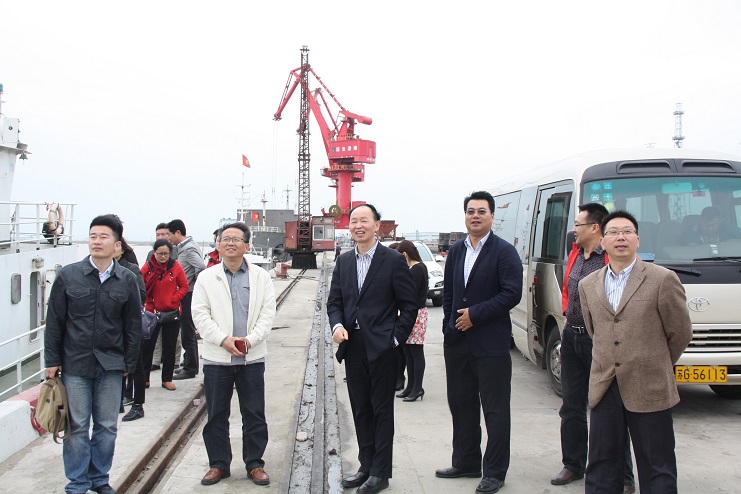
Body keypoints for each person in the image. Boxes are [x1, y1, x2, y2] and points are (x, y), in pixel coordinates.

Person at [579, 210, 692, 493]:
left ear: (637, 240)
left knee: (657, 467)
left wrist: (654, 361)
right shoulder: (588, 284)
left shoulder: (662, 279)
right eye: (613, 232)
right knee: (601, 466)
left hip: (650, 384)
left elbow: (680, 332)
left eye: (627, 232)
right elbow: (596, 332)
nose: (621, 237)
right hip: (605, 384)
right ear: (602, 241)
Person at [44, 214, 141, 494]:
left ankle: (99, 479)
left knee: (107, 426)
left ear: (117, 244)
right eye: (92, 236)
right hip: (75, 364)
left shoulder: (127, 280)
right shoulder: (68, 275)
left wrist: (129, 363)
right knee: (76, 426)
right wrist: (52, 361)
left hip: (111, 365)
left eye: (103, 237)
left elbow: (133, 326)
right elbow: (55, 322)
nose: (96, 241)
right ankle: (77, 483)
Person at [435, 191, 522, 494]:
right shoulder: (457, 251)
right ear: (465, 216)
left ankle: (494, 471)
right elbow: (449, 293)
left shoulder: (504, 252)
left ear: (492, 216)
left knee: (495, 410)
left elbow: (511, 293)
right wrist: (449, 326)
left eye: (481, 211)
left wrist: (475, 314)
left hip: (491, 344)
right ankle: (466, 461)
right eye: (470, 211)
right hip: (457, 342)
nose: (475, 216)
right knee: (461, 404)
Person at [327, 204, 417, 494]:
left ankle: (380, 472)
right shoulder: (344, 261)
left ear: (377, 225)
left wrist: (395, 340)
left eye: (364, 220)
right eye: (354, 221)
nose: (358, 225)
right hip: (352, 346)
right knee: (361, 408)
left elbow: (409, 306)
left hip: (383, 347)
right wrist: (336, 325)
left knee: (381, 410)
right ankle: (365, 466)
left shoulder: (393, 260)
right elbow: (335, 302)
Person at [551, 204, 636, 493]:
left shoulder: (610, 257)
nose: (574, 229)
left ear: (594, 228)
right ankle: (573, 464)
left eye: (578, 224)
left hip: (599, 341)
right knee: (571, 406)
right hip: (571, 338)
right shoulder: (576, 253)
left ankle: (623, 476)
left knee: (610, 408)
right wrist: (567, 313)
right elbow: (569, 289)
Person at [192, 222, 276, 487]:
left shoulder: (261, 277)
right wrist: (223, 340)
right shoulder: (206, 277)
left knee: (254, 413)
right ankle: (218, 464)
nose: (230, 243)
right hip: (217, 358)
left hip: (252, 357)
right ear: (217, 244)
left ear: (246, 246)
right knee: (216, 414)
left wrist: (249, 341)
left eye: (236, 239)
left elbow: (267, 314)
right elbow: (200, 314)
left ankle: (255, 464)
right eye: (225, 238)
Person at [133, 239, 188, 407]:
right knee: (147, 346)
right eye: (160, 254)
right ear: (154, 253)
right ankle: (145, 378)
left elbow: (184, 286)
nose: (163, 257)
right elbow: (140, 286)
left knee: (169, 347)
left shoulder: (175, 267)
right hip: (152, 312)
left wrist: (174, 299)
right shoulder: (148, 267)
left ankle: (167, 379)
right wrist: (148, 302)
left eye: (166, 254)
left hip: (171, 312)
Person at [168, 219, 205, 380]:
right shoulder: (184, 247)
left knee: (188, 330)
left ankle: (190, 368)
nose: (169, 238)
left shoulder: (189, 249)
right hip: (185, 293)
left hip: (188, 294)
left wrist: (193, 285)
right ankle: (188, 362)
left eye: (169, 234)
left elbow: (201, 267)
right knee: (185, 330)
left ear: (177, 232)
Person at [394, 239, 428, 403]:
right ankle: (410, 386)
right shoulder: (416, 268)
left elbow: (408, 293)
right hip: (411, 313)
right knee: (408, 351)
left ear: (405, 254)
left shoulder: (416, 269)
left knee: (416, 351)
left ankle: (417, 387)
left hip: (417, 314)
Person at [115, 237, 146, 413]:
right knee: (116, 364)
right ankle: (117, 402)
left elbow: (142, 295)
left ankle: (138, 404)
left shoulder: (131, 270)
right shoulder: (102, 271)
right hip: (112, 327)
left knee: (137, 365)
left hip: (130, 324)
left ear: (121, 249)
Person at [151, 222, 181, 371]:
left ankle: (174, 363)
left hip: (171, 307)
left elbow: (184, 285)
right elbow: (143, 282)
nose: (161, 237)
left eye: (163, 234)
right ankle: (155, 362)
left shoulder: (175, 257)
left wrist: (174, 298)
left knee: (173, 339)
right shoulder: (150, 260)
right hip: (154, 306)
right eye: (158, 235)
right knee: (154, 338)